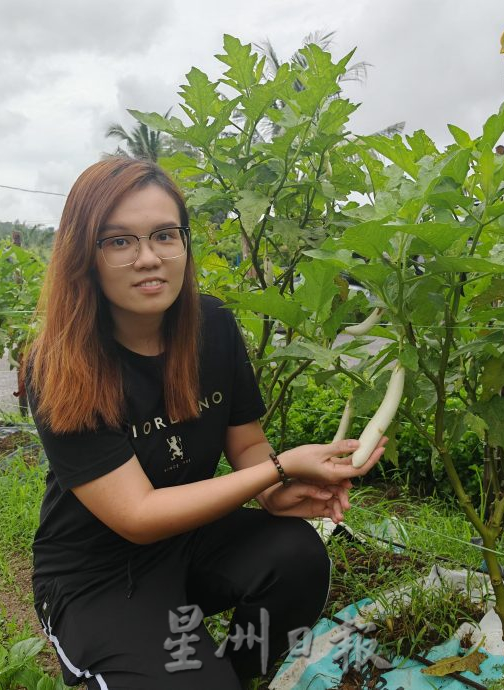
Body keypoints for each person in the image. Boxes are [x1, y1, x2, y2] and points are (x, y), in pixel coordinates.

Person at [25, 157, 385, 690]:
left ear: (184, 243)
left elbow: (248, 444)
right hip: (94, 574)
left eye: (164, 235)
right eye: (119, 241)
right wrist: (280, 469)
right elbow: (137, 515)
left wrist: (275, 491)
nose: (149, 258)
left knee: (298, 555)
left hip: (187, 541)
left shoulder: (211, 325)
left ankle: (232, 677)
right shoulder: (60, 364)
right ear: (85, 254)